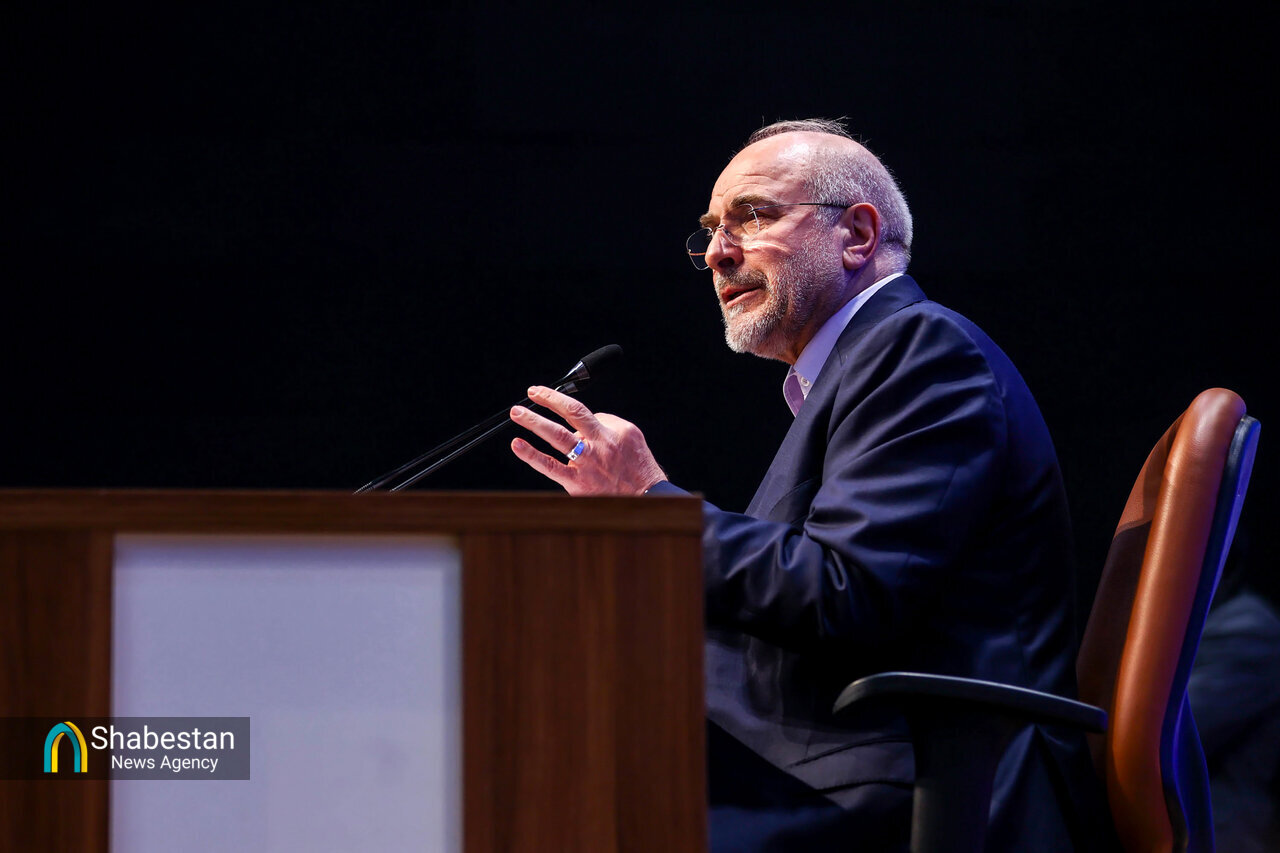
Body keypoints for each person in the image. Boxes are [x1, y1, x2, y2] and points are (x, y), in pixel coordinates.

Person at [508, 118, 1115, 851]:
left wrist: (649, 503)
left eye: (752, 216)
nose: (718, 252)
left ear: (856, 235)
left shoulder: (922, 348)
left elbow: (846, 592)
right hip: (830, 769)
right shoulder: (861, 370)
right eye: (711, 230)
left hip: (911, 788)